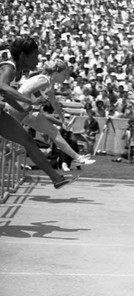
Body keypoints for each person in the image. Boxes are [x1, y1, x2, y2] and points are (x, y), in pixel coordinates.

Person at [0, 37, 77, 189]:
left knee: (27, 141)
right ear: (23, 56)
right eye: (34, 55)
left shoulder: (18, 72)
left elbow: (7, 95)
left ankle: (57, 179)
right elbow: (2, 87)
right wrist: (28, 101)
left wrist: (24, 109)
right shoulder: (9, 68)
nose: (38, 59)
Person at [6, 58, 95, 166]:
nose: (66, 77)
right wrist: (32, 105)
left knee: (53, 132)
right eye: (64, 74)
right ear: (56, 72)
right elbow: (26, 92)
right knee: (11, 141)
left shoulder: (48, 84)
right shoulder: (44, 80)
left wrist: (62, 120)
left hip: (24, 111)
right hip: (17, 109)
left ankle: (78, 158)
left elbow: (54, 102)